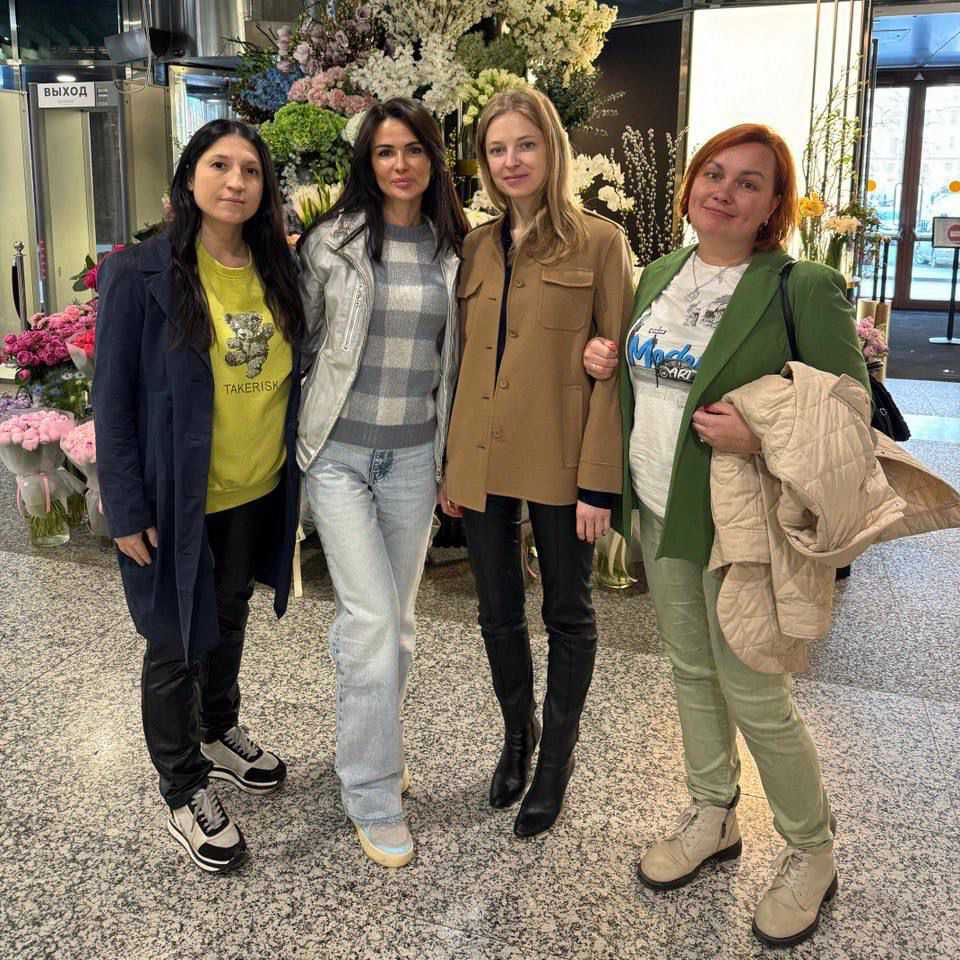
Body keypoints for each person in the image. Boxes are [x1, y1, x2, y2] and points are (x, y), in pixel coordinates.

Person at [583, 123, 870, 947]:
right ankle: (713, 813)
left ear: (774, 204)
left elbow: (851, 412)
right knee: (689, 671)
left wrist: (760, 434)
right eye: (714, 173)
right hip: (661, 509)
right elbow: (648, 378)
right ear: (691, 186)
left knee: (756, 694)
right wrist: (606, 360)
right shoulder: (660, 274)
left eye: (750, 182)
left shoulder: (800, 286)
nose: (726, 191)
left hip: (742, 527)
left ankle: (812, 849)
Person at [95, 119, 303, 873]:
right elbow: (111, 399)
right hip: (176, 500)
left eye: (250, 169)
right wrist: (125, 508)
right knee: (175, 641)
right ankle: (183, 787)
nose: (236, 181)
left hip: (256, 489)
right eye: (220, 165)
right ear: (190, 178)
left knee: (229, 616)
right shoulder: (140, 272)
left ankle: (218, 730)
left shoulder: (278, 268)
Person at [441, 87, 634, 838]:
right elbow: (462, 363)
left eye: (525, 144)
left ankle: (556, 759)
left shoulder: (600, 243)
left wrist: (598, 483)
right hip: (480, 456)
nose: (511, 161)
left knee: (567, 611)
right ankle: (517, 736)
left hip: (560, 453)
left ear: (552, 149)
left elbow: (614, 370)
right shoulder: (475, 247)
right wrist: (452, 466)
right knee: (495, 609)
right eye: (497, 149)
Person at [297, 98, 468, 868]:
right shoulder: (330, 242)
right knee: (369, 620)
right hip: (337, 456)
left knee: (393, 625)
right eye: (385, 152)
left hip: (413, 461)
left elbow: (458, 363)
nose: (400, 164)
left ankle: (370, 749)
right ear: (367, 162)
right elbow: (301, 341)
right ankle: (371, 790)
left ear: (434, 159)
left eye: (414, 150)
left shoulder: (457, 249)